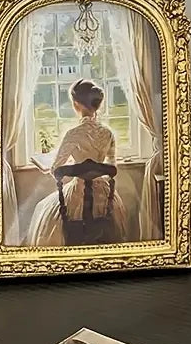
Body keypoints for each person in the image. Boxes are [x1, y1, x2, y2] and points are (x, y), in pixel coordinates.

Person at [27, 79, 127, 247]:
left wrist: (74, 164)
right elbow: (112, 166)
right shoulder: (108, 133)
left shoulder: (73, 134)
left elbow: (56, 169)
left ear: (76, 104)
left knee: (42, 207)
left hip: (78, 193)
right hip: (104, 196)